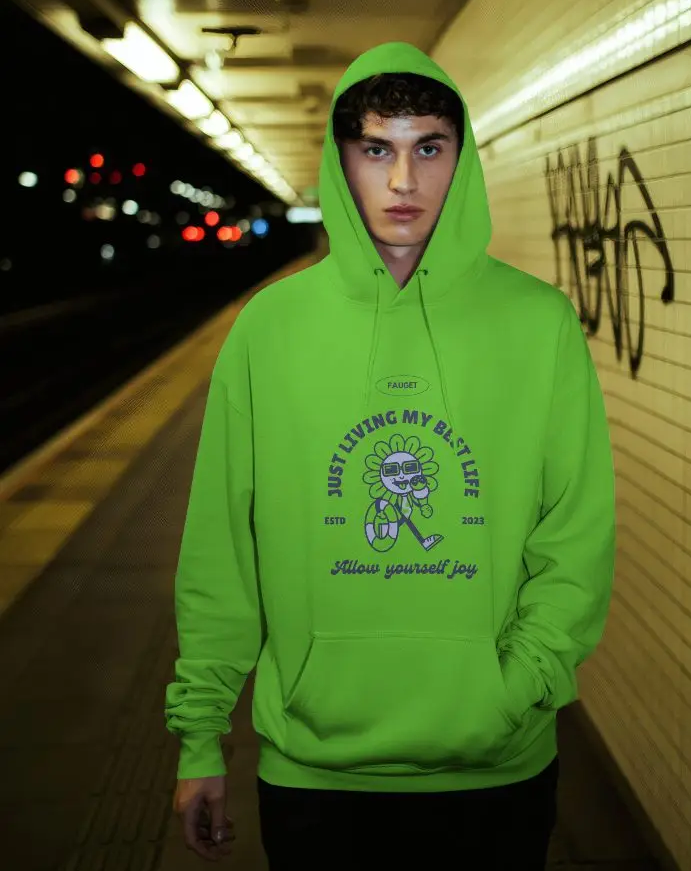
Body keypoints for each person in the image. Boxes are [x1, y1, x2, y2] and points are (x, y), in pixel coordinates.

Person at [165, 42, 616, 870]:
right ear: (342, 160)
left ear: (461, 157)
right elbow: (221, 548)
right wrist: (200, 736)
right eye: (377, 148)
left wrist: (512, 690)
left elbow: (576, 538)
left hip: (497, 769)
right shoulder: (270, 329)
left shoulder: (539, 324)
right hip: (314, 772)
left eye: (428, 148)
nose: (403, 181)